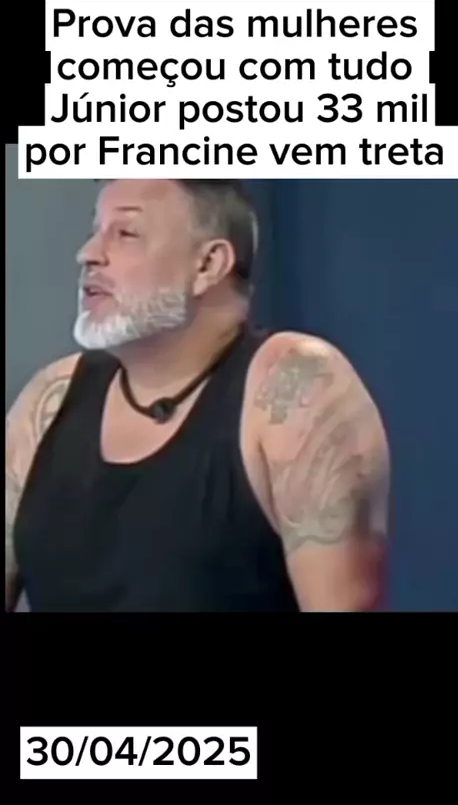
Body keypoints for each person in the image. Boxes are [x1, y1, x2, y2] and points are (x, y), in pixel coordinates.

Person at [5, 178, 390, 612]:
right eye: (95, 230)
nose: (88, 253)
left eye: (126, 233)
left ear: (208, 264)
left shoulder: (294, 389)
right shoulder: (49, 400)